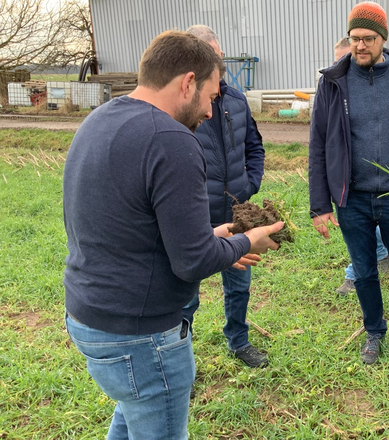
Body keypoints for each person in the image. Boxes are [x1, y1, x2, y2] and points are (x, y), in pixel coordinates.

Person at [62, 30, 282, 440]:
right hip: (139, 336)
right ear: (187, 82)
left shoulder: (100, 119)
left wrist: (211, 235)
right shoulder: (172, 138)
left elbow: (129, 224)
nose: (213, 112)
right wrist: (247, 241)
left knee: (133, 416)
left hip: (89, 316)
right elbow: (193, 261)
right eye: (212, 96)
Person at [309, 1, 389, 364]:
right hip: (352, 199)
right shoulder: (333, 83)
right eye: (355, 38)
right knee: (364, 271)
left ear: (383, 38)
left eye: (368, 38)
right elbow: (319, 144)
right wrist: (320, 205)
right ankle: (374, 332)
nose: (360, 45)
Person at [182, 25, 268, 368]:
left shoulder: (234, 98)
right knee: (186, 296)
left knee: (239, 283)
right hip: (196, 215)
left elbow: (254, 146)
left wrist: (250, 184)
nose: (218, 64)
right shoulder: (184, 106)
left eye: (219, 56)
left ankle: (239, 340)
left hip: (236, 212)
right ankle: (181, 360)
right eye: (211, 58)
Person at [331, 35, 389, 296]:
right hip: (353, 184)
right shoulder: (336, 89)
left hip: (386, 183)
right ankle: (377, 258)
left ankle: (357, 272)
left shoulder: (384, 85)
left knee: (375, 228)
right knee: (363, 230)